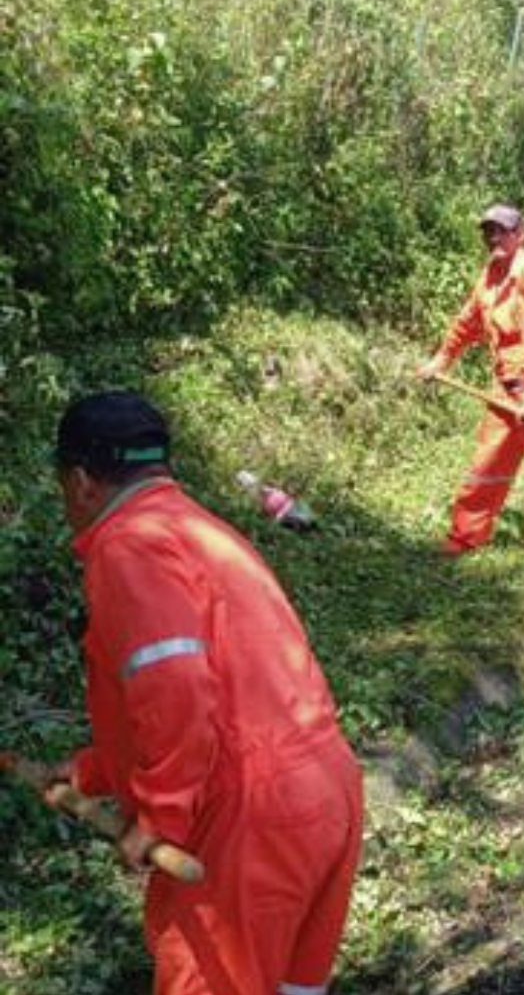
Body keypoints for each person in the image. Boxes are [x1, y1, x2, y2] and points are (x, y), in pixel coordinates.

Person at [49, 391, 363, 995]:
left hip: (251, 822)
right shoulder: (199, 530)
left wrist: (162, 818)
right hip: (325, 790)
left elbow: (175, 684)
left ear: (82, 481)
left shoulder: (127, 545)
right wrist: (93, 771)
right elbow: (221, 688)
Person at [417, 204, 524, 561]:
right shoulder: (491, 275)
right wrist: (442, 358)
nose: (495, 238)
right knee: (487, 465)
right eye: (489, 231)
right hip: (509, 386)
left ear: (521, 234)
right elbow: (468, 321)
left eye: (503, 231)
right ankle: (465, 537)